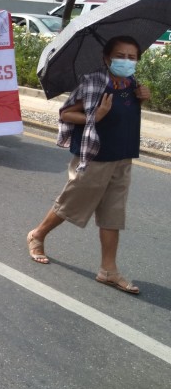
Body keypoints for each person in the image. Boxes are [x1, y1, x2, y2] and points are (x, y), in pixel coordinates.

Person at [26, 36, 151, 295]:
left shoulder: (133, 84)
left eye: (132, 57)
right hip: (96, 155)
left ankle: (108, 270)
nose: (126, 61)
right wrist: (96, 116)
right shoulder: (94, 81)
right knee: (72, 203)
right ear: (107, 59)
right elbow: (66, 113)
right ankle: (37, 234)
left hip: (123, 156)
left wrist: (142, 99)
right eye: (120, 56)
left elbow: (127, 112)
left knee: (113, 214)